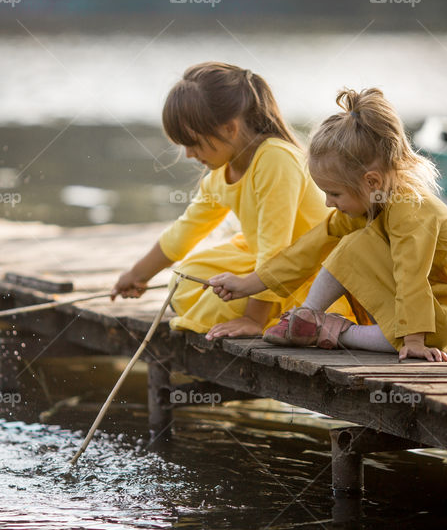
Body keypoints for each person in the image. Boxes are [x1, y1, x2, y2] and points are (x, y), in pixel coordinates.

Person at [208, 87, 447, 361]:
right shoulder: (369, 203)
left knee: (360, 250)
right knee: (346, 243)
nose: (329, 203)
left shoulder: (411, 211)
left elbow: (411, 275)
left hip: (442, 310)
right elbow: (308, 248)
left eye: (335, 193)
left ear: (371, 181)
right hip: (412, 310)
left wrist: (415, 340)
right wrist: (248, 284)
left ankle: (334, 331)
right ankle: (306, 316)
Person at [111, 61, 333, 339]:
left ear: (229, 128)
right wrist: (137, 274)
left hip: (305, 271)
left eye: (194, 143)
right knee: (183, 282)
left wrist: (252, 318)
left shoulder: (275, 159)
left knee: (226, 305)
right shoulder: (221, 173)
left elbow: (275, 251)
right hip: (261, 262)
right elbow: (185, 231)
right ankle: (256, 308)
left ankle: (269, 314)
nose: (190, 155)